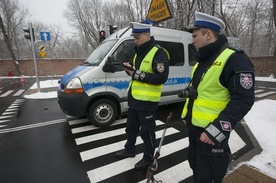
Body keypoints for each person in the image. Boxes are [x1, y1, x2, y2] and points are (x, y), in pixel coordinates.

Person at [180, 12, 255, 182]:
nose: (192, 40)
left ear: (208, 35)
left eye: (195, 36)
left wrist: (217, 130)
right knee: (197, 168)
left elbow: (244, 99)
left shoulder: (234, 59)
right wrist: (187, 115)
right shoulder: (201, 61)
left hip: (212, 133)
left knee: (210, 176)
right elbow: (200, 93)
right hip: (196, 130)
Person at [115, 21, 170, 170]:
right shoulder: (138, 52)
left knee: (147, 132)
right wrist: (130, 70)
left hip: (147, 102)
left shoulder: (159, 52)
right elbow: (136, 73)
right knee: (131, 128)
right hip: (135, 98)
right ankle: (129, 150)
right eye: (134, 38)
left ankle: (148, 158)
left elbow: (161, 77)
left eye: (138, 37)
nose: (135, 40)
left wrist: (137, 74)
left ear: (147, 35)